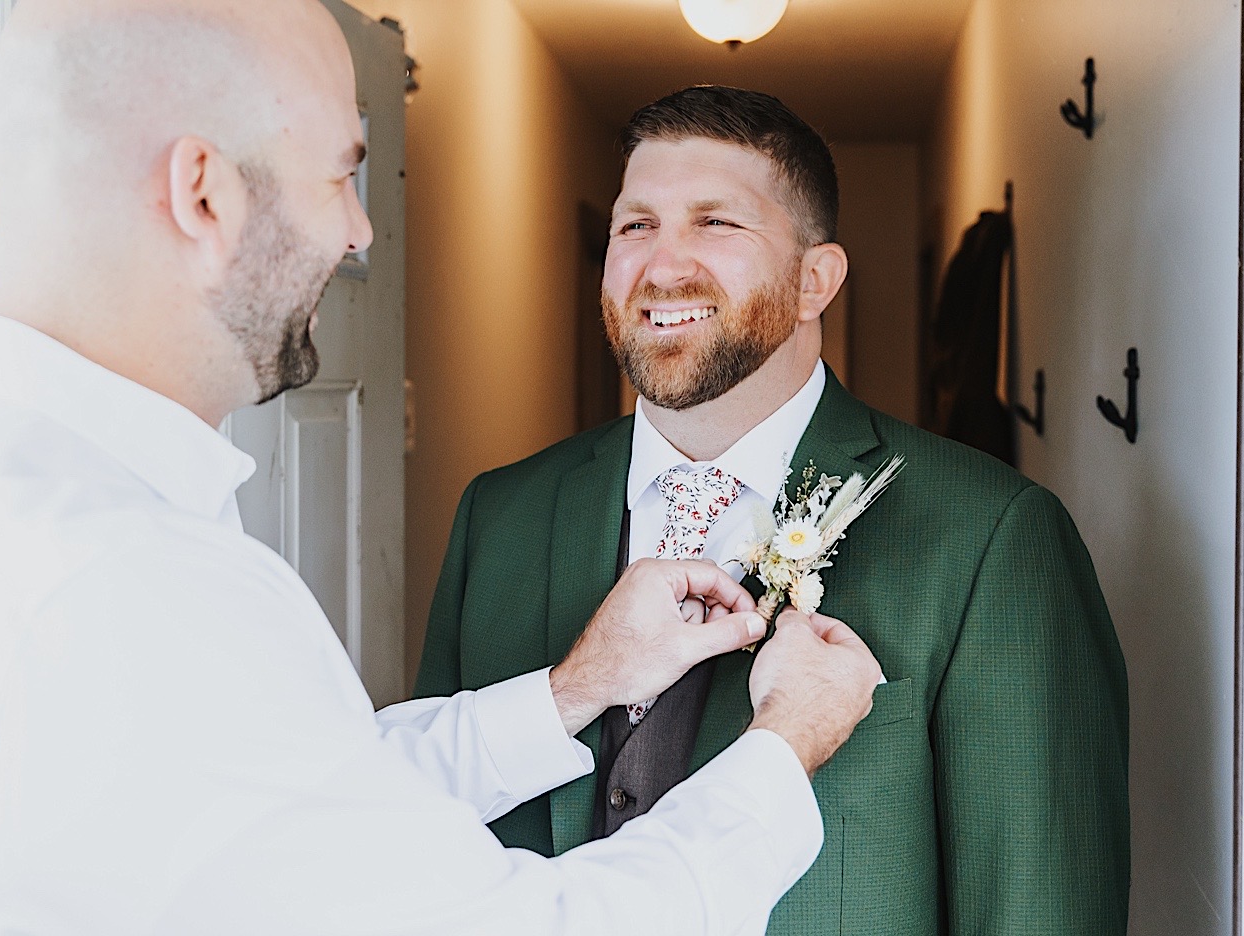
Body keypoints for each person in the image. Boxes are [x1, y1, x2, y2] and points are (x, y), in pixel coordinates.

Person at [0, 5, 886, 934]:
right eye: (341, 173)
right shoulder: (121, 585)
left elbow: (298, 804)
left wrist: (576, 691)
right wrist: (785, 742)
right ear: (204, 194)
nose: (360, 228)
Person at [417, 86, 1131, 934]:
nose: (663, 265)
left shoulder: (992, 535)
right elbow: (415, 843)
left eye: (716, 224)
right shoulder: (500, 515)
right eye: (635, 224)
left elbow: (1037, 910)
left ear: (813, 281)